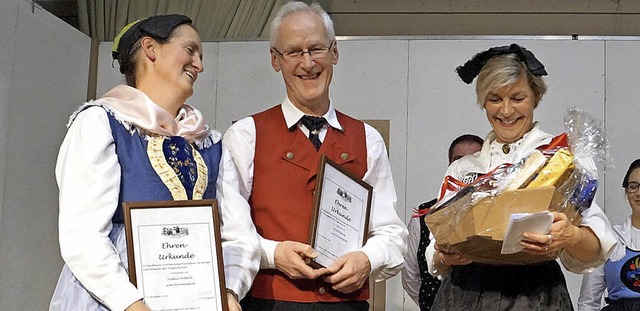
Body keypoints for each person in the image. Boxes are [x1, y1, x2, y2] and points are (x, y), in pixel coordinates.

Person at [48, 15, 259, 311]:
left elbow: (238, 235)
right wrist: (131, 303)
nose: (199, 65)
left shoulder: (209, 143)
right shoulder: (102, 122)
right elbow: (83, 235)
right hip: (115, 301)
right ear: (151, 49)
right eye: (190, 50)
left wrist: (228, 290)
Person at [222, 2, 407, 310]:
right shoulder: (245, 136)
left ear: (334, 52)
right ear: (275, 60)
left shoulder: (368, 139)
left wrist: (366, 259)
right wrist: (273, 254)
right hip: (270, 303)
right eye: (294, 52)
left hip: (346, 305)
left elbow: (391, 232)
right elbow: (228, 232)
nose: (307, 63)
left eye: (316, 49)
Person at [425, 44, 617, 310]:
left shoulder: (560, 158)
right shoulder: (463, 170)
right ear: (482, 102)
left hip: (536, 294)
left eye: (517, 98)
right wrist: (443, 256)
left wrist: (569, 235)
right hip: (464, 293)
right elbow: (436, 254)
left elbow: (596, 248)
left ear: (536, 96)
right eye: (494, 99)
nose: (505, 111)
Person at [402, 134, 483, 310]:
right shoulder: (424, 216)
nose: (466, 167)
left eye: (474, 159)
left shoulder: (500, 212)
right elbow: (410, 276)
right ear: (450, 167)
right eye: (459, 160)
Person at [578, 159, 640, 311]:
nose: (639, 193)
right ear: (626, 191)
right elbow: (588, 301)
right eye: (633, 187)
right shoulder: (609, 239)